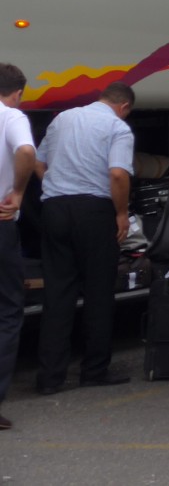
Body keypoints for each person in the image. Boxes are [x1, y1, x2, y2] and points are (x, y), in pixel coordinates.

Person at [34, 81, 135, 394]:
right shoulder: (118, 128)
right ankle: (93, 370)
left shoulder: (62, 119)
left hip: (54, 208)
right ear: (124, 107)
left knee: (57, 294)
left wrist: (56, 184)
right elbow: (118, 174)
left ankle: (50, 378)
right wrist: (121, 213)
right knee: (98, 293)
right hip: (94, 211)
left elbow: (39, 162)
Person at [0, 64, 36, 430]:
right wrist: (20, 192)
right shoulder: (10, 116)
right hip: (0, 224)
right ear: (18, 93)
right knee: (8, 310)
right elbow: (25, 151)